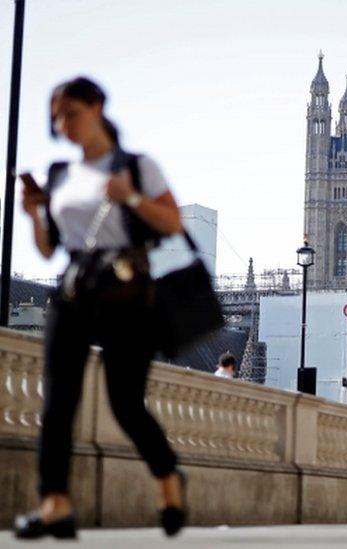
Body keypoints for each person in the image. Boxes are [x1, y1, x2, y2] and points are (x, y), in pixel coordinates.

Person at [14, 77, 186, 539]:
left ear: (96, 107)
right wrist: (33, 212)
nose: (61, 125)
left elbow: (172, 222)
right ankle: (54, 504)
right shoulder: (60, 175)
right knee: (57, 402)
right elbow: (50, 248)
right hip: (73, 295)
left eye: (69, 113)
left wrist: (128, 196)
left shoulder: (135, 165)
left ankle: (168, 477)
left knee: (126, 404)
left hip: (127, 297)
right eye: (55, 118)